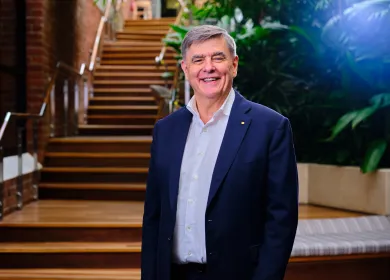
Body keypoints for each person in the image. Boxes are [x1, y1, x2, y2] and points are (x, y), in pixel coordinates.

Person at [141, 25, 299, 280]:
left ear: (234, 65)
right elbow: (153, 218)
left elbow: (281, 219)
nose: (208, 67)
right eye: (198, 60)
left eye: (218, 57)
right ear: (186, 69)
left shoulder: (270, 127)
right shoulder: (166, 130)